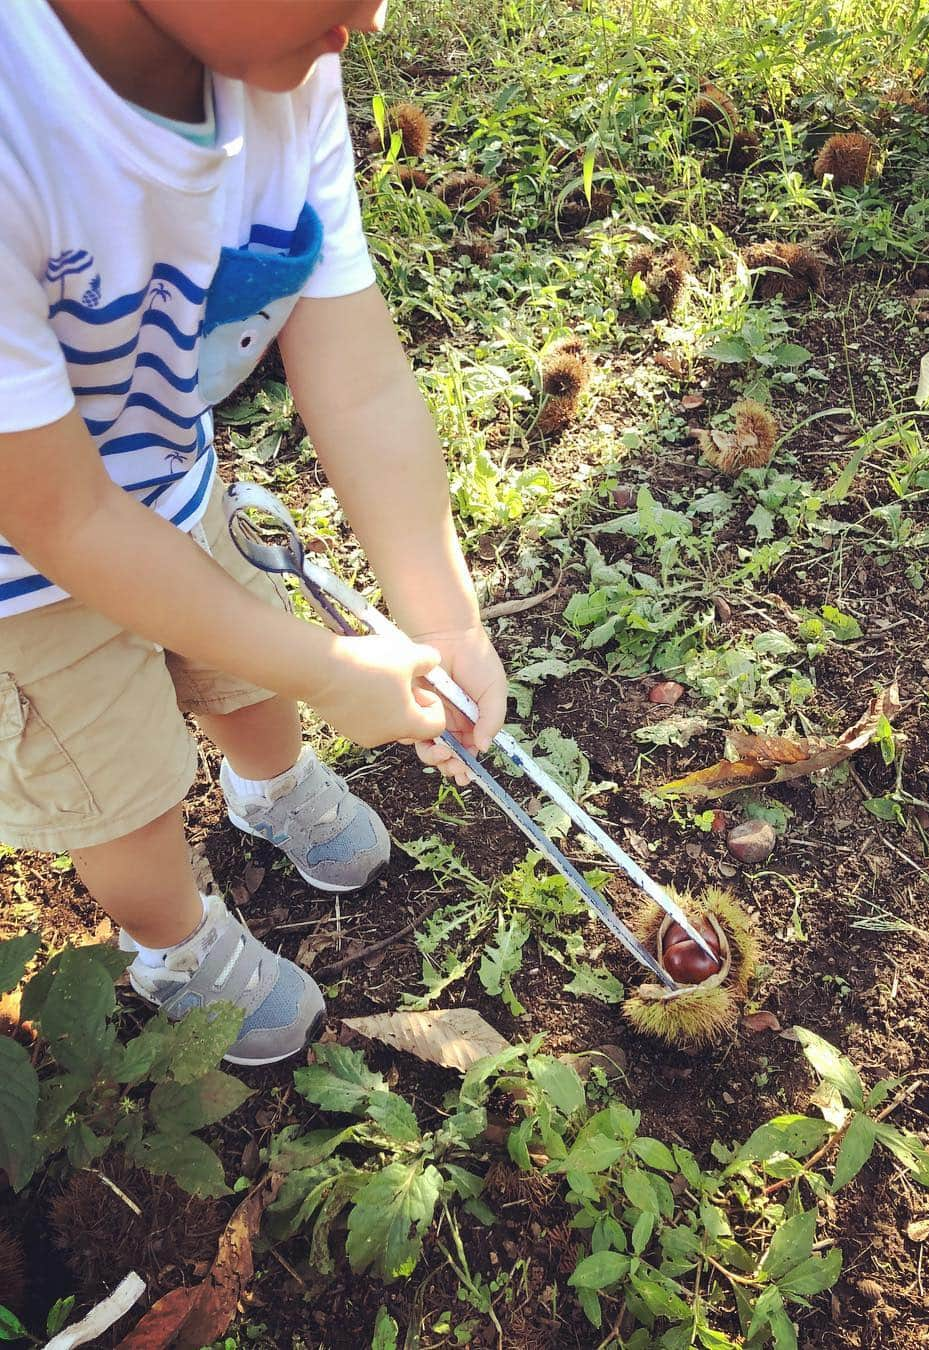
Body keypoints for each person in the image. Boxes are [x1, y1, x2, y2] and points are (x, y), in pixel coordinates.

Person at [0, 0, 507, 1066]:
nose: (372, 18)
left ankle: (268, 788)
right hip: (21, 575)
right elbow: (62, 516)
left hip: (171, 490)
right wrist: (333, 668)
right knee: (122, 796)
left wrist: (445, 620)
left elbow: (359, 379)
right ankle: (173, 944)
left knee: (250, 672)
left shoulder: (285, 72)